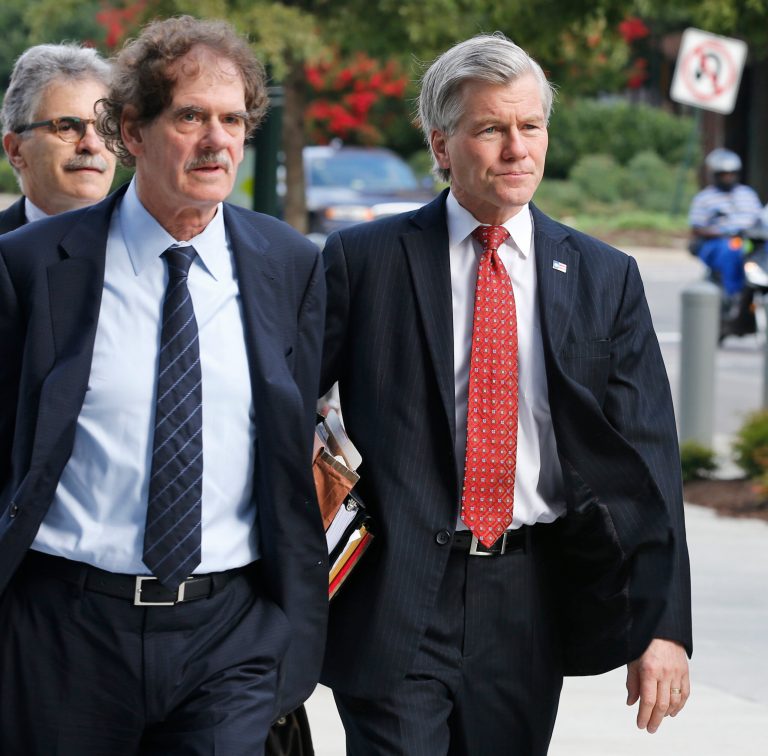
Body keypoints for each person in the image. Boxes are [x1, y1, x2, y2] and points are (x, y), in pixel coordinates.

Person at [320, 33, 692, 755]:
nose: (517, 148)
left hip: (530, 598)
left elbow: (651, 463)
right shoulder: (362, 262)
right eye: (491, 128)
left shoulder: (603, 276)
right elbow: (287, 415)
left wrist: (663, 625)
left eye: (531, 126)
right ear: (442, 142)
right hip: (393, 593)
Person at [0, 16, 327, 755]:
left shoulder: (289, 264)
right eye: (190, 116)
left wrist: (291, 631)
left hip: (228, 635)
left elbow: (292, 448)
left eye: (233, 119)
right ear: (132, 132)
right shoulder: (31, 267)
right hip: (66, 632)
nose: (217, 141)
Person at [0, 43, 117, 232]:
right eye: (66, 127)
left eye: (104, 127)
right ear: (15, 150)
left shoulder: (153, 244)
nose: (92, 144)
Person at [688, 148, 762, 327]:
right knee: (731, 248)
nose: (728, 178)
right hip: (718, 243)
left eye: (731, 174)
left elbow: (760, 219)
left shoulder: (748, 194)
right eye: (723, 174)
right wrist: (723, 232)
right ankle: (733, 294)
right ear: (715, 175)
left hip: (749, 241)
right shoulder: (704, 198)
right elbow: (697, 228)